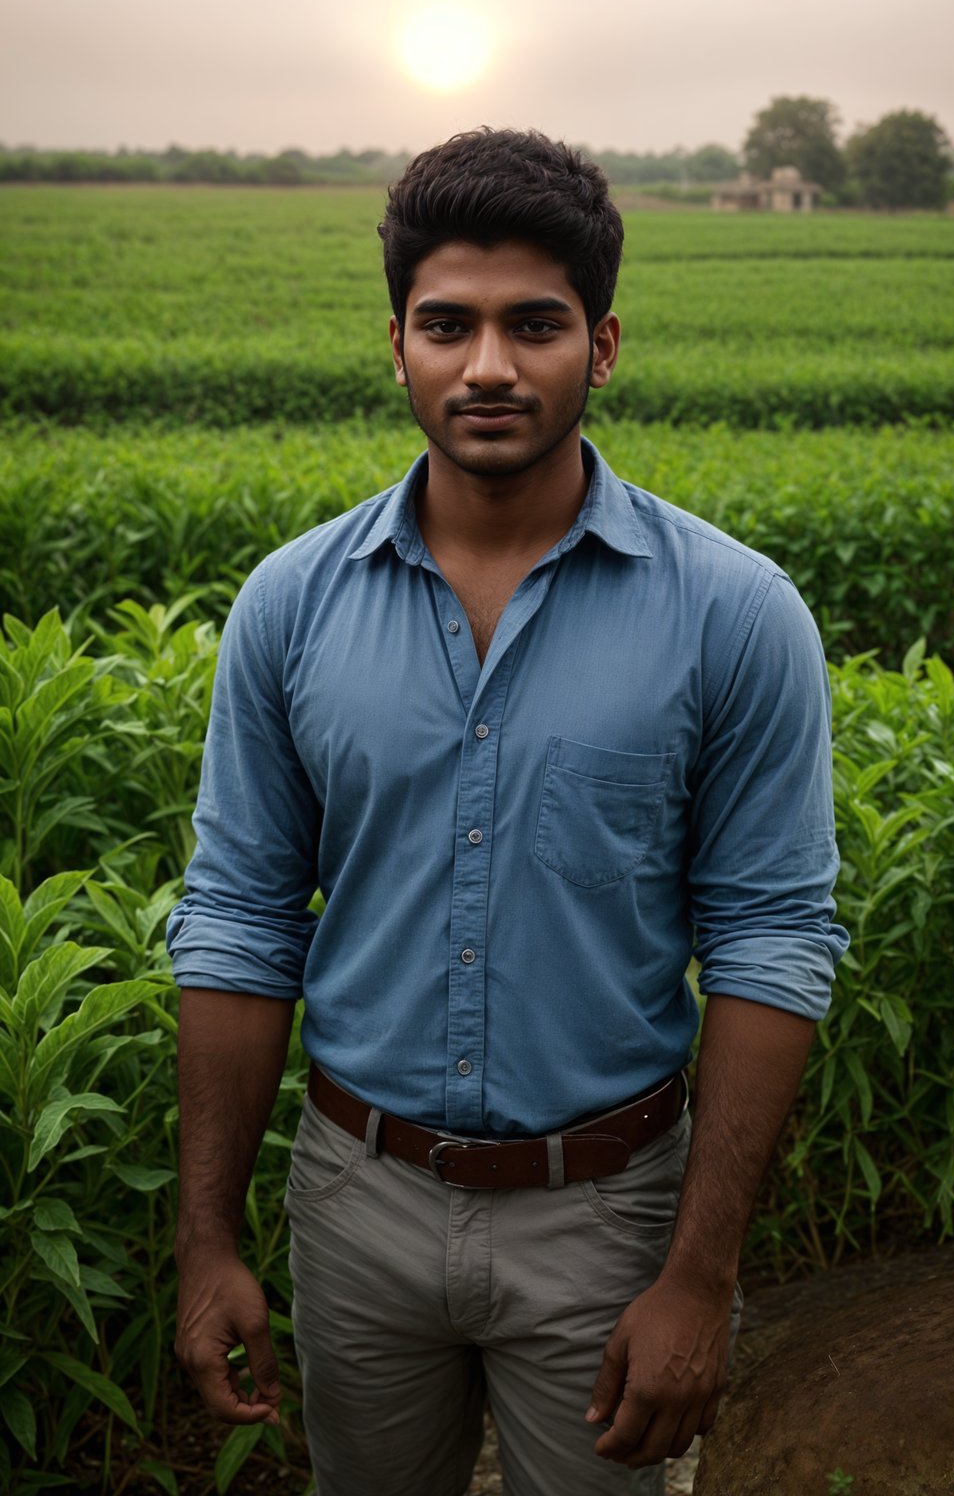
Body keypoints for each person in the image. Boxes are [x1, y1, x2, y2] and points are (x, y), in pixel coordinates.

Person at [169, 127, 848, 1495]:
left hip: (608, 1212)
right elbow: (241, 922)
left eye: (533, 325)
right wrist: (207, 1241)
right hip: (354, 1202)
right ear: (398, 343)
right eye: (448, 325)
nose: (488, 366)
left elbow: (773, 939)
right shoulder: (291, 606)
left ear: (601, 347)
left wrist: (699, 1275)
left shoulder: (735, 614)